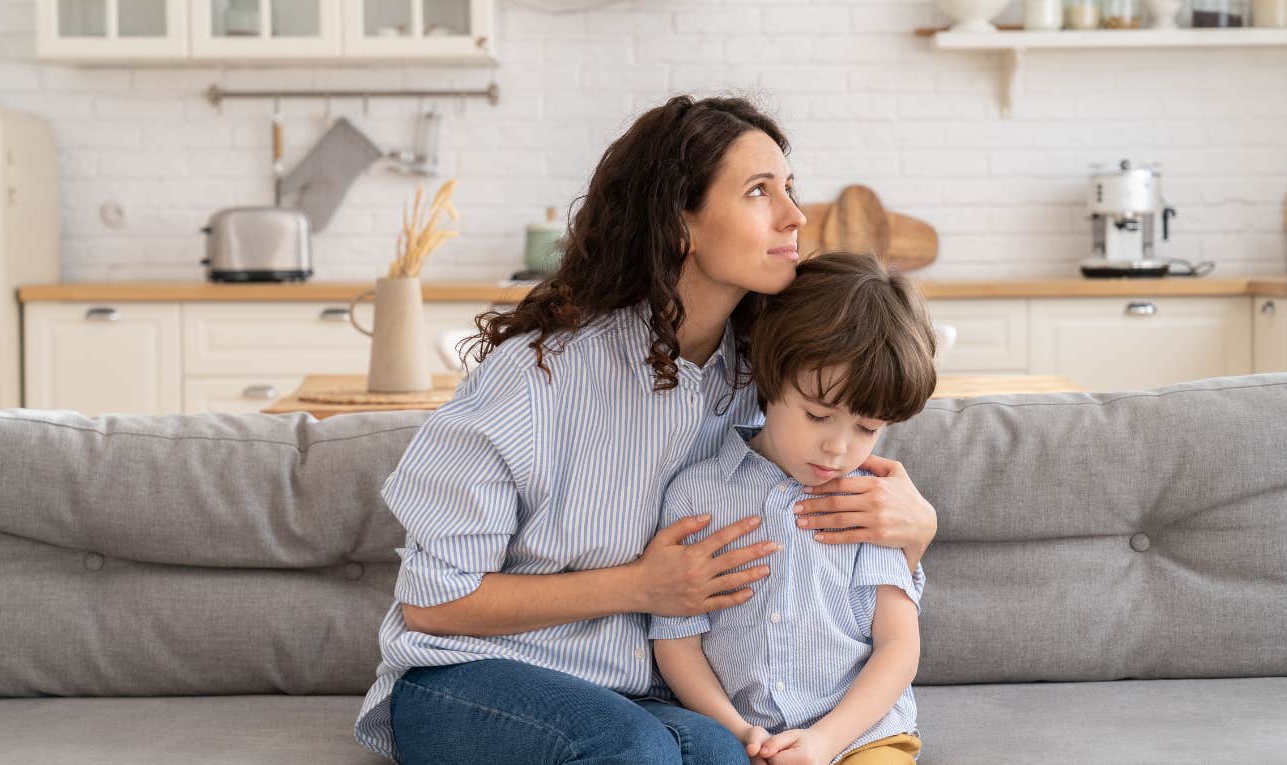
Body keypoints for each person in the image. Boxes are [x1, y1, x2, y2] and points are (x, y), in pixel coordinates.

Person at [353, 95, 939, 765]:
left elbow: (828, 548)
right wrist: (639, 585)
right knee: (630, 749)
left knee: (723, 756)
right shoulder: (540, 375)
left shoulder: (767, 381)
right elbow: (435, 602)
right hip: (468, 677)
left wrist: (914, 531)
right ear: (680, 222)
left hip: (643, 692)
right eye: (758, 191)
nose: (795, 215)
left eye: (789, 188)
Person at [650, 252, 937, 765]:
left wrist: (825, 741)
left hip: (858, 736)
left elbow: (898, 646)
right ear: (767, 373)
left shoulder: (869, 504)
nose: (839, 449)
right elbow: (677, 642)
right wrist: (737, 731)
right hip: (732, 736)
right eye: (817, 415)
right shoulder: (696, 495)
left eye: (867, 429)